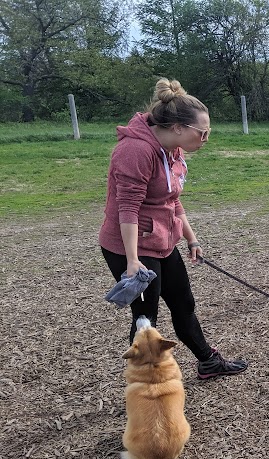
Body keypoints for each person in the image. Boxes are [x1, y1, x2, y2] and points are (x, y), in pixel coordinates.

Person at [99, 78, 247, 379]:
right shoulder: (135, 151)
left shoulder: (173, 150)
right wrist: (132, 261)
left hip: (162, 242)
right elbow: (127, 209)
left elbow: (171, 199)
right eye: (202, 133)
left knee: (183, 303)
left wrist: (191, 238)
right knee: (145, 319)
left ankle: (208, 362)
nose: (206, 139)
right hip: (131, 246)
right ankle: (146, 384)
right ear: (178, 127)